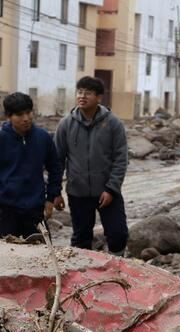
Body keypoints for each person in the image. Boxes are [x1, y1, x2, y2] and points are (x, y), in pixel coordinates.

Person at [0, 92, 63, 241]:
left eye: (28, 112)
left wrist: (50, 198)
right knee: (6, 253)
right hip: (5, 211)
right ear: (9, 116)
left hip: (35, 210)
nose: (26, 118)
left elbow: (55, 168)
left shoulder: (43, 137)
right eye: (20, 115)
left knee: (41, 252)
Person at [55, 76, 129, 254]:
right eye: (79, 92)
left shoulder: (113, 123)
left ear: (99, 97)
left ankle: (117, 265)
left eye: (88, 93)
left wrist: (111, 189)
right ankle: (83, 269)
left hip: (107, 191)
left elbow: (121, 159)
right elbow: (57, 160)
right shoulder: (66, 124)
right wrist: (55, 191)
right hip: (77, 192)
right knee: (81, 238)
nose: (82, 96)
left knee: (118, 234)